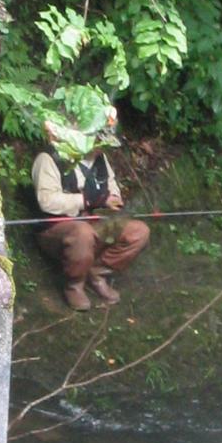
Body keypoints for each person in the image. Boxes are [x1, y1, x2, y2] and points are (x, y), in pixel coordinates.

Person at [31, 117, 150, 311]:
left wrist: (111, 201)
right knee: (82, 232)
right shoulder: (48, 158)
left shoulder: (100, 159)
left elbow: (113, 190)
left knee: (139, 231)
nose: (102, 148)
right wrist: (86, 200)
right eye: (98, 143)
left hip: (94, 222)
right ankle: (74, 284)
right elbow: (48, 202)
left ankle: (97, 271)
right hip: (57, 229)